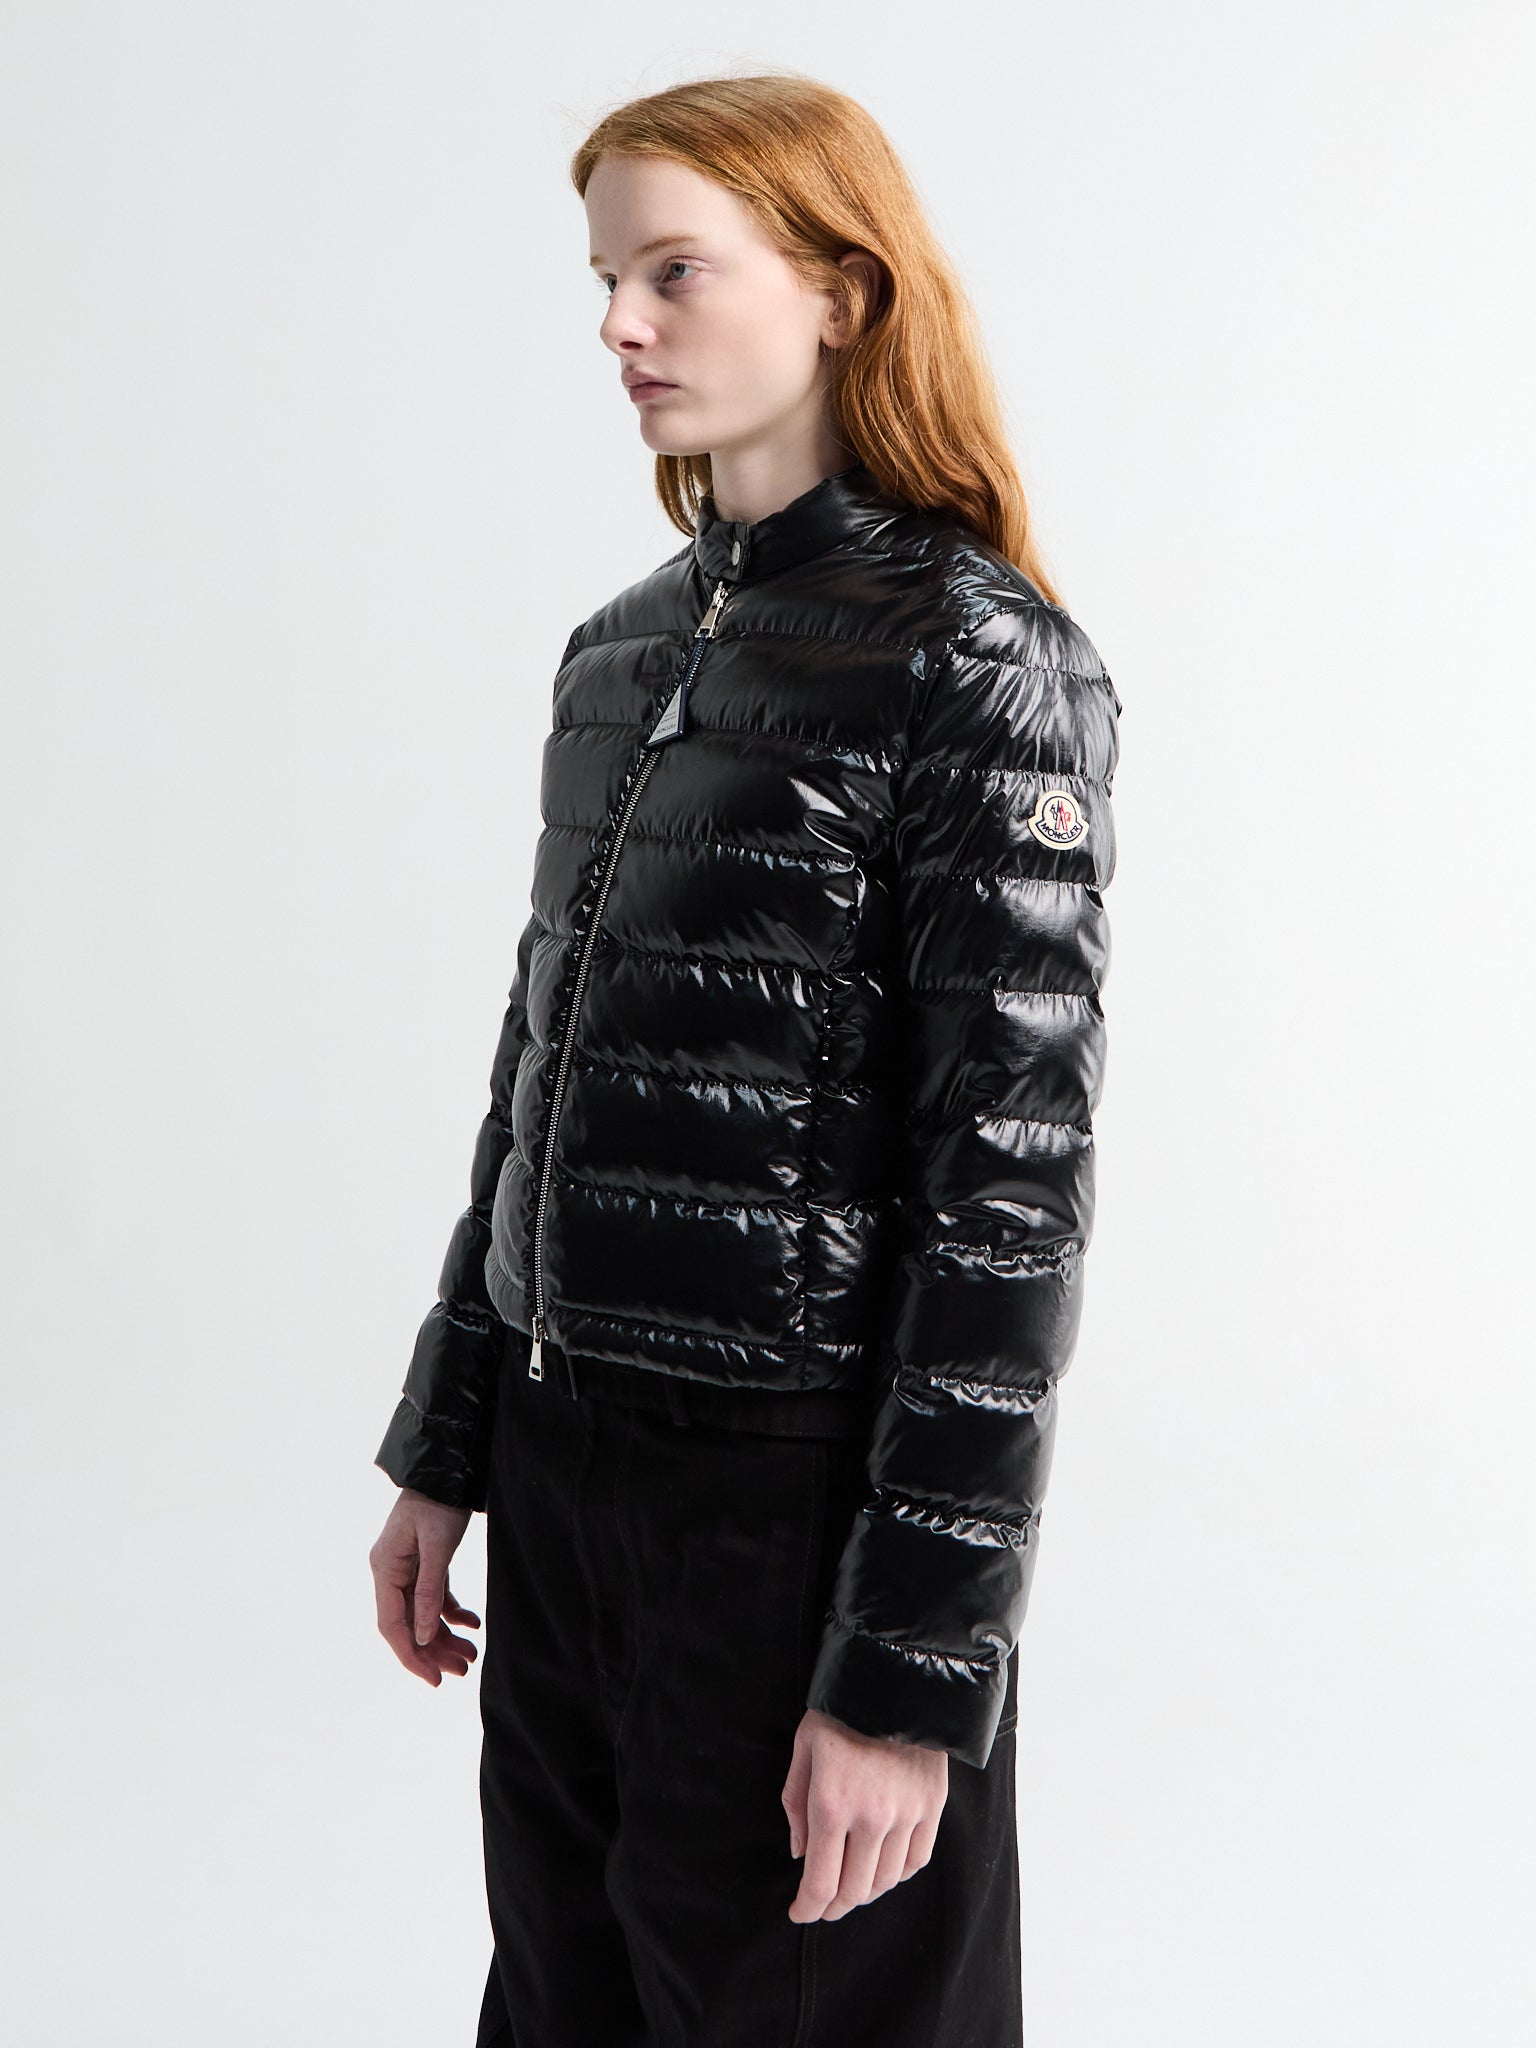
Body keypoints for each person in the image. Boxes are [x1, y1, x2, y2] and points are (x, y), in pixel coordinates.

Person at [368, 71, 1121, 2048]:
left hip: (786, 1512)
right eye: (606, 279)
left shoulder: (976, 658)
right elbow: (539, 1069)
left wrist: (906, 1674)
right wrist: (449, 1444)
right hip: (565, 1477)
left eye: (674, 271)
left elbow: (1008, 1196)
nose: (622, 323)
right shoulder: (620, 650)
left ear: (843, 290)